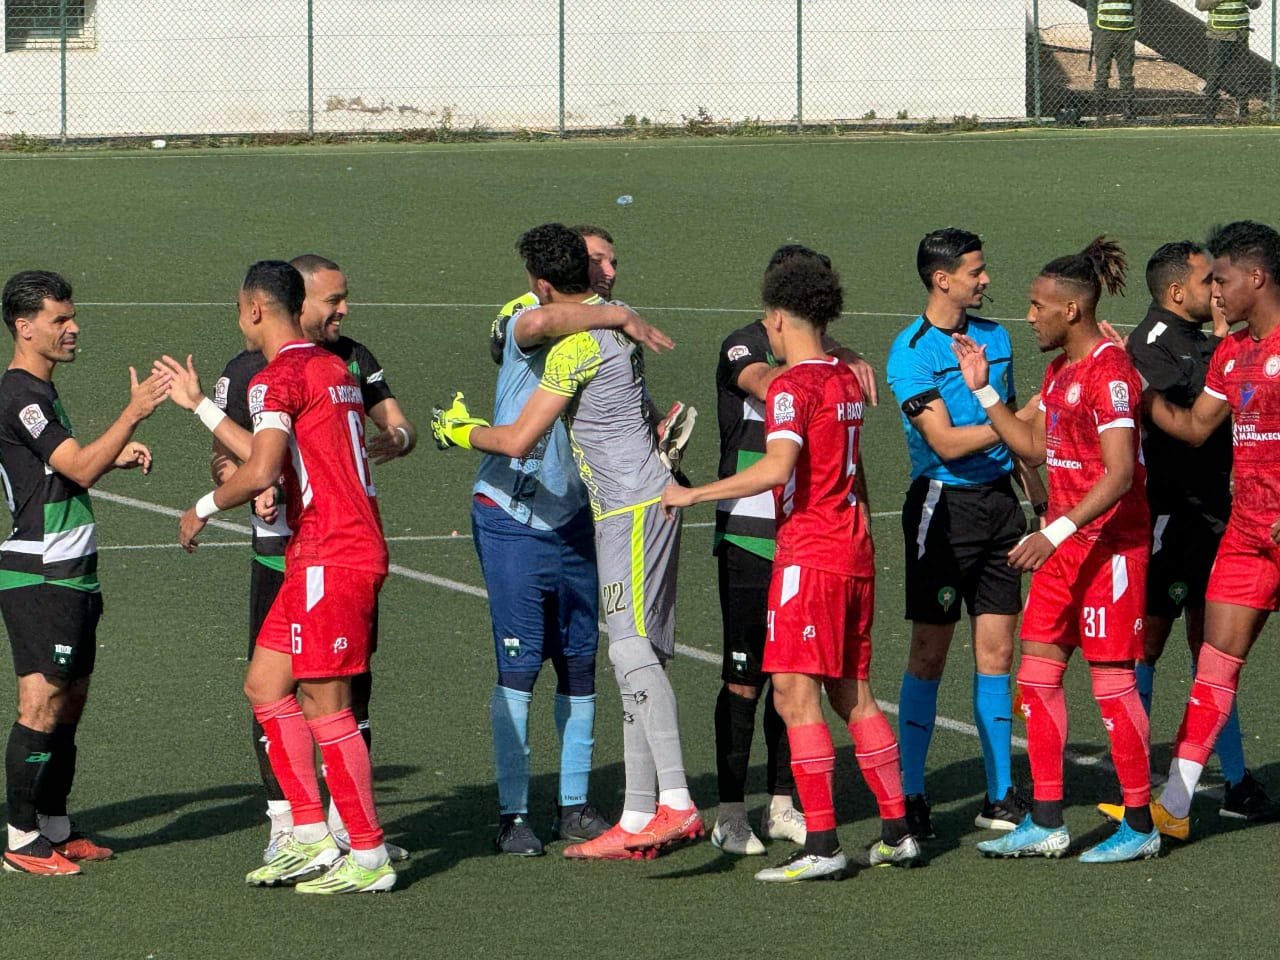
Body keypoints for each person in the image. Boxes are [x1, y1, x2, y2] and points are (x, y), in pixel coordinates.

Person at [434, 222, 702, 860]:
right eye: (600, 262)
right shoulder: (536, 317)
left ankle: (621, 806)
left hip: (603, 513)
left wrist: (460, 430)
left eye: (613, 261)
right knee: (546, 662)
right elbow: (532, 325)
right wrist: (618, 314)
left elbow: (524, 436)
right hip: (528, 515)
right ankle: (544, 814)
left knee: (605, 657)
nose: (610, 273)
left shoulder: (585, 340)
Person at [664, 251, 919, 882]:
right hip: (855, 552)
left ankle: (823, 844)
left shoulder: (792, 387)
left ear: (778, 318)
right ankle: (897, 832)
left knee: (793, 694)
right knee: (853, 694)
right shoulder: (844, 378)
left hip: (811, 553)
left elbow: (777, 469)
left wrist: (693, 496)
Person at [176, 260, 395, 894]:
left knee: (328, 704)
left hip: (333, 552)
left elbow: (262, 468)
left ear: (254, 310)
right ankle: (308, 834)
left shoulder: (276, 379)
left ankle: (368, 855)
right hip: (317, 550)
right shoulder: (333, 368)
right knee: (265, 683)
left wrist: (202, 508)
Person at [953, 237, 1159, 863]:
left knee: (1112, 686)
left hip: (1110, 551)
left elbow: (1119, 475)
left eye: (1037, 306)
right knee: (1037, 678)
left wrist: (1054, 531)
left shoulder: (1110, 372)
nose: (1029, 316)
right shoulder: (1060, 372)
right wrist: (984, 393)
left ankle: (1141, 824)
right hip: (1062, 550)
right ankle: (1046, 820)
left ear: (1071, 310)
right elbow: (1034, 447)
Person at [709, 243, 878, 856]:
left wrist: (831, 362)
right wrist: (835, 365)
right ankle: (730, 812)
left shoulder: (820, 360)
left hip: (810, 544)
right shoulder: (745, 344)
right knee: (746, 679)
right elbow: (765, 380)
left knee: (797, 678)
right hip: (751, 535)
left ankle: (783, 805)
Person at [0, 270, 169, 875]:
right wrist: (133, 413)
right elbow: (77, 467)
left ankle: (53, 826)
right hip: (41, 572)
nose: (73, 328)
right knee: (41, 702)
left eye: (72, 316)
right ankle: (20, 840)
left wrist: (112, 455)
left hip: (73, 570)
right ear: (25, 327)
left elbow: (57, 471)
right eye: (60, 319)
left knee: (70, 701)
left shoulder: (41, 391)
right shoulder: (21, 395)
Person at [1120, 221, 1280, 839]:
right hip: (1247, 535)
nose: (1215, 291)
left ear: (1256, 277)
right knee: (1215, 666)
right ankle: (1176, 806)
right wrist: (1139, 389)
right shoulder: (1232, 352)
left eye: (1223, 278)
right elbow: (1193, 427)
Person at [885, 228, 1043, 839]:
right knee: (930, 653)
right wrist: (1016, 419)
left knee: (998, 654)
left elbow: (1015, 434)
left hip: (1001, 507)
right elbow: (947, 442)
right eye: (975, 271)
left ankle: (999, 795)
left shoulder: (995, 337)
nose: (986, 279)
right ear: (941, 279)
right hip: (942, 511)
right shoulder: (911, 352)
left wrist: (1036, 497)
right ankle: (911, 793)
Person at [1197, 0, 1262, 117]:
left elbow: (1255, 4)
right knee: (1215, 71)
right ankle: (1210, 109)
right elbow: (1200, 5)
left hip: (1240, 35)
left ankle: (1243, 109)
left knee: (1243, 72)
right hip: (1218, 36)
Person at [1088, 0, 1140, 120]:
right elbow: (1091, 5)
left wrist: (1136, 27)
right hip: (1103, 32)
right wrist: (1094, 27)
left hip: (1127, 32)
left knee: (1126, 73)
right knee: (1102, 72)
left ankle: (1128, 111)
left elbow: (1137, 5)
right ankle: (1100, 111)